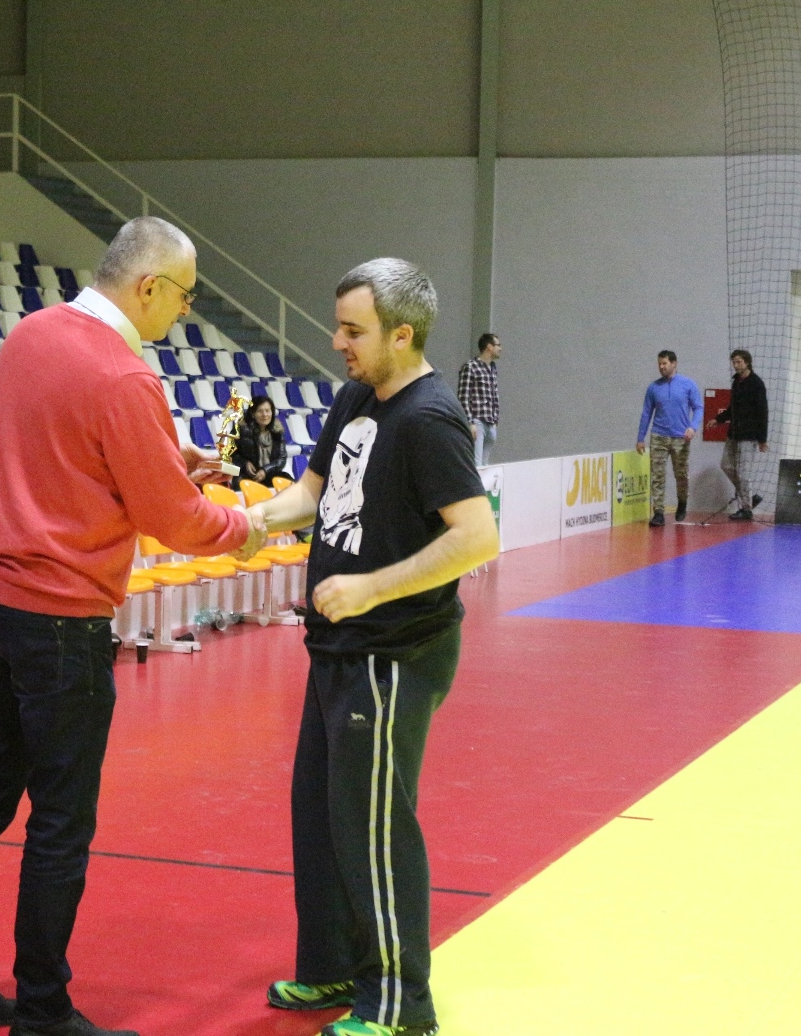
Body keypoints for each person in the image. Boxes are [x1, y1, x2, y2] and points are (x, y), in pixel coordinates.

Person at [0, 216, 265, 1036]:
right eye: (183, 296)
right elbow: (174, 520)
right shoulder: (124, 375)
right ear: (148, 287)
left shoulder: (31, 334)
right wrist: (248, 526)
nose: (184, 311)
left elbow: (68, 454)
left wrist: (165, 460)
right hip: (59, 613)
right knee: (61, 818)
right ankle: (43, 1006)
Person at [246, 258, 498, 1036]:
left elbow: (476, 537)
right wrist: (247, 520)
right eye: (339, 326)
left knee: (374, 824)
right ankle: (331, 966)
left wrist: (372, 588)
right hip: (336, 647)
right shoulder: (356, 397)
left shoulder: (428, 419)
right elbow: (312, 493)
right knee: (322, 816)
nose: (337, 342)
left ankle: (397, 1002)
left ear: (401, 334)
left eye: (353, 330)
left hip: (393, 652)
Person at [635, 349, 702, 527]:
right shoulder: (653, 387)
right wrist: (641, 438)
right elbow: (646, 413)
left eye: (664, 363)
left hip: (681, 437)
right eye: (659, 364)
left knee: (681, 474)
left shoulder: (688, 384)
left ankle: (682, 501)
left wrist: (693, 427)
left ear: (674, 363)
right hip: (659, 436)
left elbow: (698, 407)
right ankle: (658, 512)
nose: (661, 367)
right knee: (657, 475)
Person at [710, 348, 768, 520]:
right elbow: (732, 409)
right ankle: (749, 497)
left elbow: (763, 412)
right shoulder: (736, 382)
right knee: (726, 465)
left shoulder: (756, 383)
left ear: (747, 362)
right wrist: (718, 419)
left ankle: (747, 509)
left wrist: (762, 439)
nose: (735, 365)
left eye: (739, 362)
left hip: (748, 436)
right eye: (734, 362)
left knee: (743, 473)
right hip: (733, 434)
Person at [455, 331, 500, 466]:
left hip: (490, 422)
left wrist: (495, 419)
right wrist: (470, 423)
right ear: (489, 347)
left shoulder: (492, 368)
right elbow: (463, 397)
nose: (500, 348)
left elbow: (494, 394)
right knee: (477, 464)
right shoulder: (470, 367)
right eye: (498, 345)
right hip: (477, 421)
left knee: (485, 465)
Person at [233, 393, 288, 487]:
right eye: (260, 411)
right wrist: (244, 463)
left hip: (270, 474)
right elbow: (231, 453)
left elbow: (281, 459)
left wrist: (265, 470)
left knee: (290, 485)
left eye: (267, 411)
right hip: (248, 475)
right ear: (252, 414)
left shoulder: (277, 431)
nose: (265, 415)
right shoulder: (241, 429)